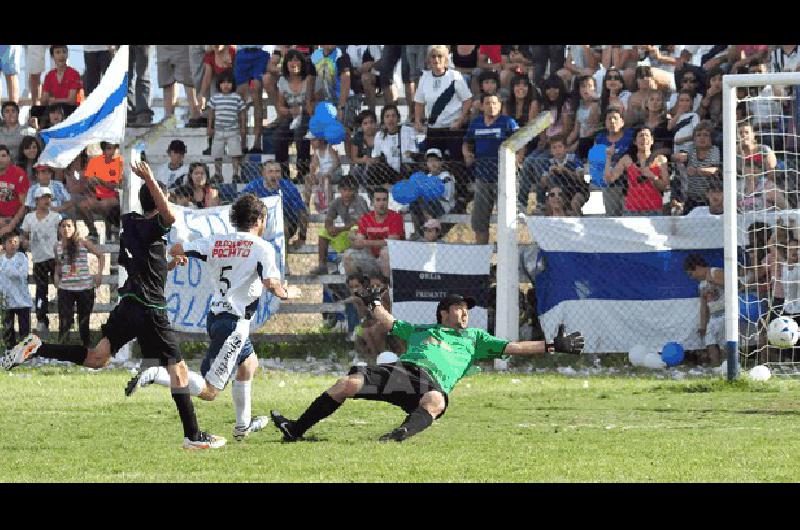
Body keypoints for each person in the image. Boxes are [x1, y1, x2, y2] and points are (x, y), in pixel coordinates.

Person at [3, 161, 226, 450]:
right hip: (150, 309)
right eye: (164, 198)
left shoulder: (132, 224)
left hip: (129, 305)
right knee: (178, 371)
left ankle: (37, 347)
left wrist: (168, 263)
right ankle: (193, 436)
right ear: (157, 203)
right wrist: (149, 177)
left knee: (98, 357)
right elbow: (168, 215)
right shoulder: (151, 224)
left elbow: (145, 266)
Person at [269, 293, 585, 443]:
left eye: (467, 310)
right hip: (403, 373)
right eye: (461, 309)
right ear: (444, 313)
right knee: (346, 384)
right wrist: (375, 304)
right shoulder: (423, 330)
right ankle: (294, 430)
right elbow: (389, 322)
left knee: (436, 401)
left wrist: (553, 346)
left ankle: (398, 436)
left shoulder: (475, 338)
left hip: (431, 384)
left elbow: (512, 347)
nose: (466, 314)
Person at [126, 193, 302, 441]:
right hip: (234, 324)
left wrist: (177, 257)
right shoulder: (262, 247)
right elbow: (272, 284)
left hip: (217, 317)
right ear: (259, 220)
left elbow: (176, 248)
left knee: (249, 364)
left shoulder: (217, 241)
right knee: (210, 391)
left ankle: (242, 426)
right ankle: (158, 375)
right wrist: (288, 293)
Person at [414, 45, 473, 211]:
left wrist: (460, 120)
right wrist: (418, 120)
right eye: (433, 56)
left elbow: (467, 100)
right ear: (428, 59)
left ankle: (461, 194)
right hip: (434, 128)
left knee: (456, 162)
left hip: (452, 128)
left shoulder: (455, 76)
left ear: (446, 58)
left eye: (440, 56)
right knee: (431, 161)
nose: (436, 59)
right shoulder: (424, 77)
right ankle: (432, 195)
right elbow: (419, 102)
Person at [463, 93, 520, 245]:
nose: (491, 106)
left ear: (500, 106)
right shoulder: (476, 123)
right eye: (488, 103)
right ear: (482, 106)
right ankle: (481, 262)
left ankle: (505, 260)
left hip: (503, 178)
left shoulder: (508, 122)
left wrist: (517, 160)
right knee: (480, 222)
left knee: (506, 221)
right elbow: (466, 143)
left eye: (495, 103)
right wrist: (467, 154)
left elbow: (521, 142)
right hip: (482, 178)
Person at [54, 217, 104, 346]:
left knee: (83, 321)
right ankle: (63, 349)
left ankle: (85, 348)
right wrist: (56, 275)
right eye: (63, 226)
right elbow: (58, 264)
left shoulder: (83, 242)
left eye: (69, 226)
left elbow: (100, 255)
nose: (66, 229)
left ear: (75, 228)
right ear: (59, 229)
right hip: (66, 288)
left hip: (85, 287)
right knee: (64, 321)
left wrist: (99, 274)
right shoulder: (57, 246)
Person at [21, 187, 62, 334]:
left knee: (62, 287)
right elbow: (24, 235)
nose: (47, 200)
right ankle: (42, 320)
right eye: (44, 197)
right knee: (41, 291)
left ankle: (64, 321)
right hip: (38, 259)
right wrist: (25, 242)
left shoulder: (57, 217)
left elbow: (62, 235)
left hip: (55, 257)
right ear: (37, 200)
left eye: (49, 197)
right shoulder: (29, 218)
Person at [240, 160, 308, 248]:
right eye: (270, 171)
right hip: (259, 220)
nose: (274, 175)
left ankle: (282, 259)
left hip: (285, 220)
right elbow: (240, 202)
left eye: (277, 171)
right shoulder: (254, 186)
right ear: (263, 173)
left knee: (281, 229)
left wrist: (302, 237)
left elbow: (301, 211)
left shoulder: (289, 187)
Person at [604, 126, 669, 216]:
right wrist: (608, 157)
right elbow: (609, 179)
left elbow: (665, 186)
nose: (644, 138)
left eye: (647, 135)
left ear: (652, 140)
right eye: (641, 136)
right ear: (635, 142)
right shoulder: (627, 159)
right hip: (632, 209)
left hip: (654, 208)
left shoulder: (661, 159)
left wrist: (653, 177)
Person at [312, 175, 369, 276]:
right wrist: (329, 228)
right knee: (322, 232)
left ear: (355, 190)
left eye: (350, 190)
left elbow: (361, 222)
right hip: (345, 233)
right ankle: (322, 265)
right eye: (344, 190)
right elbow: (328, 219)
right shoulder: (337, 202)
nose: (347, 193)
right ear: (339, 190)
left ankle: (346, 265)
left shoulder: (360, 201)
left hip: (361, 234)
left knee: (355, 229)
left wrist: (339, 229)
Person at [343, 187, 404, 279]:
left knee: (385, 253)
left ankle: (387, 288)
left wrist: (365, 242)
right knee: (348, 255)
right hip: (371, 258)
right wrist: (354, 238)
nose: (382, 203)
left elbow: (391, 242)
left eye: (384, 200)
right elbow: (359, 242)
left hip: (393, 261)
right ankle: (357, 288)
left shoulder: (396, 217)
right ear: (372, 202)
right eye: (378, 200)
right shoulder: (366, 218)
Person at [274, 49, 312, 182]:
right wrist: (291, 112)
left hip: (308, 115)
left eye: (297, 59)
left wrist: (302, 109)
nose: (293, 62)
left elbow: (314, 102)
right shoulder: (282, 81)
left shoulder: (308, 80)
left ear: (302, 63)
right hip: (291, 115)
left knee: (300, 133)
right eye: (290, 59)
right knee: (279, 135)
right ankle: (283, 174)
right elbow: (280, 107)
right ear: (286, 63)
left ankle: (303, 172)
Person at [684, 254, 725, 366]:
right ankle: (716, 367)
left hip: (725, 313)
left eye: (691, 273)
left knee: (724, 345)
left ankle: (728, 367)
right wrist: (703, 326)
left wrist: (713, 281)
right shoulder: (701, 284)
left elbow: (734, 284)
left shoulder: (715, 272)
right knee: (710, 343)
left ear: (697, 267)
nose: (692, 277)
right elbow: (704, 306)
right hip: (713, 316)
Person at [208, 70, 246, 182]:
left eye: (228, 83)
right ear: (219, 84)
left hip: (233, 130)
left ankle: (235, 174)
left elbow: (242, 113)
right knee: (217, 153)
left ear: (233, 84)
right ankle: (218, 173)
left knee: (235, 153)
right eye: (223, 83)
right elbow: (211, 113)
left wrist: (243, 127)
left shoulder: (236, 97)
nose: (226, 85)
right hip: (218, 131)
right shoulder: (215, 98)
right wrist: (209, 127)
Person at [368, 104, 418, 189]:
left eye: (393, 116)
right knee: (372, 169)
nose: (390, 119)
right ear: (383, 120)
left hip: (406, 168)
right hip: (389, 171)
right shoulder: (379, 135)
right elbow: (376, 156)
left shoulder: (408, 130)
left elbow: (414, 152)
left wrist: (410, 154)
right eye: (387, 116)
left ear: (398, 118)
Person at [80, 141, 121, 242]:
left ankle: (109, 233)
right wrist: (90, 185)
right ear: (103, 150)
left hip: (114, 196)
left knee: (105, 204)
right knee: (82, 205)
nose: (112, 151)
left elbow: (116, 185)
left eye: (114, 148)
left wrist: (99, 180)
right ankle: (93, 232)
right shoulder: (94, 162)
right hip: (97, 195)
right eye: (109, 148)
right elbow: (87, 182)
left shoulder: (119, 162)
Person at [234, 45, 270, 154]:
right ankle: (243, 141)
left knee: (257, 93)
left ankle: (257, 141)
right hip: (242, 53)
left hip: (259, 54)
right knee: (241, 97)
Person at [0, 232, 32, 349]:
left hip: (22, 300)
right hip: (6, 300)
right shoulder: (1, 259)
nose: (13, 244)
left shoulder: (21, 257)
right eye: (10, 242)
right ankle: (10, 350)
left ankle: (25, 351)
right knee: (8, 328)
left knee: (24, 330)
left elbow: (20, 274)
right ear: (4, 244)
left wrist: (6, 270)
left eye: (15, 242)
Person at [156, 45, 201, 123]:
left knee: (188, 80)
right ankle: (168, 117)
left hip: (184, 48)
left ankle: (195, 114)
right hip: (162, 48)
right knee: (166, 81)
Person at [40, 46, 82, 118]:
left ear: (67, 54)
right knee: (36, 111)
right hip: (55, 111)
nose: (61, 55)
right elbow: (44, 100)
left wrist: (54, 100)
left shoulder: (74, 73)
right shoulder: (49, 75)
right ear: (52, 56)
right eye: (58, 52)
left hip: (71, 111)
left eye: (64, 52)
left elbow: (72, 100)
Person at [0, 144, 30, 238]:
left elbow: (24, 205)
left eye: (3, 156)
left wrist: (11, 225)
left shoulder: (19, 174)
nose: (0, 159)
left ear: (9, 158)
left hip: (16, 218)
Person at [307, 136, 341, 214]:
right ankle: (306, 204)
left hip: (334, 172)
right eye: (311, 141)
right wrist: (312, 172)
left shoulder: (329, 148)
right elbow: (314, 165)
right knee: (308, 178)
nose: (311, 143)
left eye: (314, 140)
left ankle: (328, 205)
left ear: (321, 140)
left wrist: (328, 172)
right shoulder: (317, 151)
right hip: (323, 173)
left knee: (326, 179)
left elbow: (336, 163)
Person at [349, 109, 378, 189]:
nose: (369, 126)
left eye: (371, 122)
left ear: (376, 123)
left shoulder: (381, 136)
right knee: (354, 170)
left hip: (378, 168)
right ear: (361, 125)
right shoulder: (358, 137)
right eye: (365, 123)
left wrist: (374, 160)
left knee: (369, 168)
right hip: (362, 167)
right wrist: (364, 160)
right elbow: (354, 158)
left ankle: (367, 189)